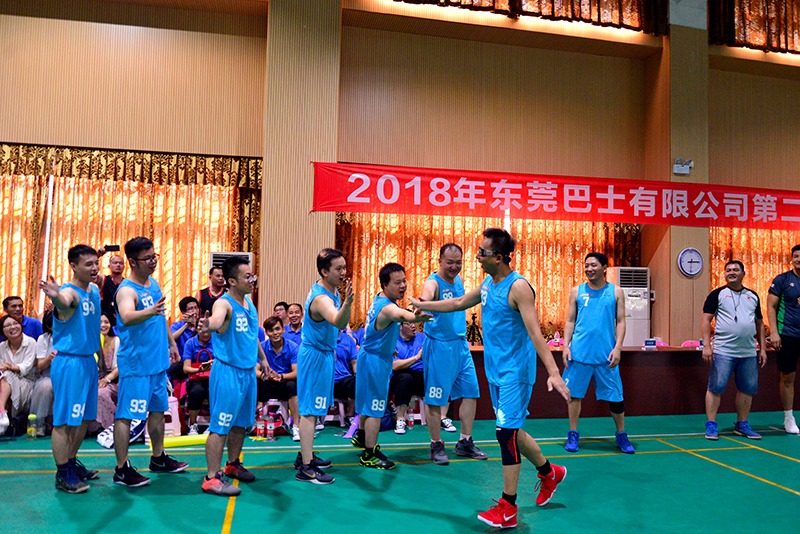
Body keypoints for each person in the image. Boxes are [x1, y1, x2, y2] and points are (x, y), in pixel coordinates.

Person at [411, 228, 570, 530]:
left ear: (498, 257)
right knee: (513, 431)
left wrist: (553, 371)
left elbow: (536, 333)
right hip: (495, 372)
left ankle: (508, 507)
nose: (477, 257)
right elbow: (458, 303)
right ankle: (550, 473)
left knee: (505, 434)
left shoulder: (519, 287)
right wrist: (423, 307)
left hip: (516, 374)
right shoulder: (487, 283)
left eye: (482, 252)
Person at [113, 237, 187, 488]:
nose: (153, 262)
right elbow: (127, 316)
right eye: (147, 258)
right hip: (137, 365)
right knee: (126, 416)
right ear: (132, 262)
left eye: (154, 256)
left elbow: (160, 316)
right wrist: (150, 311)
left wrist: (172, 343)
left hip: (157, 363)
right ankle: (121, 469)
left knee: (158, 411)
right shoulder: (126, 290)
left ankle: (158, 458)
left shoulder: (152, 283)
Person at [198, 255, 270, 496]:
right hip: (228, 372)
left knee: (241, 424)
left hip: (248, 373)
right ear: (232, 281)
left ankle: (232, 464)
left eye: (252, 275)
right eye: (247, 277)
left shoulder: (249, 303)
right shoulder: (224, 304)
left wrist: (263, 359)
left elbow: (252, 335)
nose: (252, 280)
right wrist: (208, 325)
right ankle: (211, 477)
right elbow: (216, 320)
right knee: (220, 426)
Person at [352, 263, 432, 470]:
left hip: (371, 356)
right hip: (375, 362)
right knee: (375, 408)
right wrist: (417, 317)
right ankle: (369, 454)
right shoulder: (388, 308)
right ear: (385, 285)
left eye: (404, 281)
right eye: (397, 282)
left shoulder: (380, 299)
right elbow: (401, 316)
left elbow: (380, 330)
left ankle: (362, 436)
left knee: (367, 402)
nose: (403, 285)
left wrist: (389, 347)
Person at [38, 244, 103, 494]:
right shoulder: (69, 292)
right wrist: (55, 296)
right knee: (65, 421)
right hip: (70, 363)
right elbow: (64, 302)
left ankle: (71, 462)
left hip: (88, 360)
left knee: (85, 418)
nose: (95, 268)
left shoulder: (93, 289)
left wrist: (98, 356)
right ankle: (63, 473)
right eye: (88, 264)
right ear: (73, 266)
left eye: (96, 263)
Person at [416, 243, 486, 465]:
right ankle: (436, 444)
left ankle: (465, 441)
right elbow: (426, 296)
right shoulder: (433, 282)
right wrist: (422, 305)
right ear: (440, 261)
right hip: (439, 346)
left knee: (471, 393)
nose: (454, 267)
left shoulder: (458, 280)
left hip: (460, 346)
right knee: (435, 398)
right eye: (449, 263)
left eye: (458, 263)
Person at [562, 252, 633, 453]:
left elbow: (621, 321)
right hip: (579, 354)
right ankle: (573, 434)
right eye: (586, 265)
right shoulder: (576, 291)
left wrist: (618, 347)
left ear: (604, 268)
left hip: (606, 356)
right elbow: (570, 321)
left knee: (616, 398)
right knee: (574, 396)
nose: (589, 269)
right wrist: (566, 346)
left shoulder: (616, 292)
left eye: (593, 265)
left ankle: (621, 435)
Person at [295, 249, 354, 484]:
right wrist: (348, 304)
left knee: (316, 409)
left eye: (344, 267)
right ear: (324, 271)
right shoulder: (322, 299)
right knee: (309, 411)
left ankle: (305, 455)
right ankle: (306, 467)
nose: (343, 272)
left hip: (325, 354)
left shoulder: (331, 289)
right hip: (315, 357)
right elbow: (339, 321)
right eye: (338, 269)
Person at [700, 261, 768, 439]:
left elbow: (760, 324)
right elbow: (706, 320)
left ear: (743, 274)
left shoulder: (752, 296)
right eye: (728, 270)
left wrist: (762, 349)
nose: (731, 272)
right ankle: (711, 425)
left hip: (748, 352)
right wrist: (707, 346)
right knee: (716, 387)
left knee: (747, 389)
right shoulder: (717, 294)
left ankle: (742, 425)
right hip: (723, 351)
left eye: (736, 270)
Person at [767, 244, 800, 434]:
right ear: (792, 259)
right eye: (796, 256)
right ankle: (789, 418)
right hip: (787, 335)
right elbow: (771, 306)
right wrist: (774, 332)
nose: (799, 259)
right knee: (788, 377)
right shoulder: (782, 280)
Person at [257, 316, 300, 441]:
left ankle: (296, 426)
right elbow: (255, 370)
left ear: (283, 330)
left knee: (292, 386)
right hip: (268, 382)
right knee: (253, 383)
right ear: (266, 333)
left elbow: (296, 372)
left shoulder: (293, 347)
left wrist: (280, 376)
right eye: (271, 330)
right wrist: (267, 376)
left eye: (277, 329)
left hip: (284, 382)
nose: (275, 333)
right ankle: (250, 423)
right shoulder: (262, 347)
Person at [0, 315, 38, 435]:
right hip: (7, 385)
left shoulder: (31, 342)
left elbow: (25, 368)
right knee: (4, 377)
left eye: (15, 323)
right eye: (7, 325)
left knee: (7, 374)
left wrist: (9, 367)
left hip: (27, 383)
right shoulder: (2, 346)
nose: (12, 327)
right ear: (2, 331)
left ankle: (1, 412)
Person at [390, 320, 425, 435]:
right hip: (399, 376)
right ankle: (400, 419)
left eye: (415, 322)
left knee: (437, 377)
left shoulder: (422, 338)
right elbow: (395, 366)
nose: (413, 325)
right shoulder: (393, 340)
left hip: (419, 374)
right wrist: (416, 358)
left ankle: (441, 417)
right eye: (409, 323)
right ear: (400, 326)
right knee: (406, 379)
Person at [182, 329, 214, 435]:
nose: (206, 334)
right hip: (195, 378)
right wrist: (199, 369)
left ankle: (213, 424)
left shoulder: (217, 341)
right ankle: (192, 425)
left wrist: (215, 364)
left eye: (208, 331)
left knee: (214, 391)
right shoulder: (190, 343)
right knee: (196, 391)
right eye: (203, 331)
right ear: (197, 329)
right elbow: (186, 368)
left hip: (213, 378)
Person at [30, 310, 55, 436]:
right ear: (49, 326)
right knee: (45, 386)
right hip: (49, 375)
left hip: (70, 374)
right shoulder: (43, 339)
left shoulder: (73, 336)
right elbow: (40, 366)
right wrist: (49, 358)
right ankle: (40, 425)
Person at [96, 312, 120, 431]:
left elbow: (120, 367)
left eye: (106, 322)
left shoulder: (116, 340)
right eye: (100, 322)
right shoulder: (92, 342)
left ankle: (110, 426)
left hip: (113, 381)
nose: (103, 325)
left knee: (101, 393)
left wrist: (106, 379)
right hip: (95, 380)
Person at [169, 296, 200, 381]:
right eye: (191, 308)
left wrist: (195, 324)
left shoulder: (202, 323)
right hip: (184, 362)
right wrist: (187, 325)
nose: (194, 311)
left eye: (196, 308)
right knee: (173, 369)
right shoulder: (177, 325)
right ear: (183, 312)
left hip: (199, 361)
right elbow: (171, 339)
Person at [333, 329, 358, 425]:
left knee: (355, 383)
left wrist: (357, 373)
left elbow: (354, 361)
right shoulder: (321, 338)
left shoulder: (347, 340)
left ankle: (350, 415)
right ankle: (316, 416)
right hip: (325, 379)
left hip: (343, 380)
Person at [96, 251, 125, 318]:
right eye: (115, 263)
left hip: (122, 318)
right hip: (106, 319)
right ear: (109, 266)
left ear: (124, 266)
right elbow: (89, 274)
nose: (118, 265)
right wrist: (97, 256)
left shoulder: (126, 283)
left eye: (121, 263)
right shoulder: (103, 279)